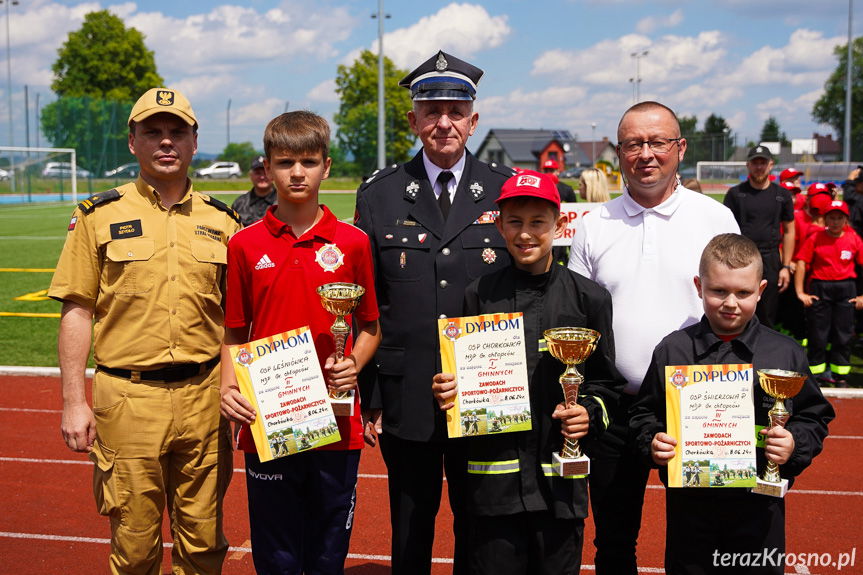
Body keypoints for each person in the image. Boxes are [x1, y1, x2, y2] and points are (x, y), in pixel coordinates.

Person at [49, 87, 241, 574]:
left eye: (177, 131)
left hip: (205, 398)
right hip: (128, 400)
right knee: (134, 545)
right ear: (132, 141)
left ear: (195, 141)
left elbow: (237, 321)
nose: (166, 141)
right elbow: (76, 309)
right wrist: (73, 399)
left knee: (203, 541)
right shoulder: (98, 215)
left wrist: (236, 387)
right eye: (152, 131)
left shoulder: (224, 220)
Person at [354, 50, 514, 575]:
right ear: (413, 120)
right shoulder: (378, 195)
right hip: (407, 395)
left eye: (455, 109)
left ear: (473, 119)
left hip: (488, 390)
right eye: (431, 110)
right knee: (410, 525)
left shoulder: (504, 189)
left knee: (481, 525)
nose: (443, 122)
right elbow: (367, 304)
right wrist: (371, 394)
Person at [567, 101, 739, 575]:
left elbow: (737, 311)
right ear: (618, 153)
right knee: (614, 542)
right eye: (633, 144)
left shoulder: (714, 219)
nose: (646, 154)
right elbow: (575, 319)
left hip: (696, 409)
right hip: (614, 410)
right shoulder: (593, 225)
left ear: (679, 149)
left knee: (701, 541)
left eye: (657, 142)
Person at [431, 171, 624, 575]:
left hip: (560, 488)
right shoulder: (478, 294)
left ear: (560, 224)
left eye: (538, 222)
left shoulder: (589, 298)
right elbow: (459, 381)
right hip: (493, 490)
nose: (525, 234)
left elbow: (609, 385)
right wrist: (449, 389)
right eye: (515, 222)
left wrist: (588, 410)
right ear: (498, 225)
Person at [219, 111, 381, 574]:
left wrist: (353, 363)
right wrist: (228, 389)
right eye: (285, 161)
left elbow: (370, 326)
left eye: (308, 161)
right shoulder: (245, 244)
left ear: (326, 167)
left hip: (337, 419)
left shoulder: (352, 243)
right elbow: (234, 330)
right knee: (276, 550)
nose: (296, 172)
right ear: (267, 168)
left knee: (328, 550)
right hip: (269, 417)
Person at [630, 233, 834, 574]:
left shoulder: (785, 352)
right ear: (698, 286)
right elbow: (643, 412)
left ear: (761, 290)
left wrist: (794, 444)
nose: (730, 302)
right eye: (718, 290)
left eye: (743, 292)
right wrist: (652, 440)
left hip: (759, 508)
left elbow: (814, 415)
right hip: (690, 510)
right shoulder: (673, 350)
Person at [723, 145, 796, 328]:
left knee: (767, 312)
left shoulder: (782, 195)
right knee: (739, 307)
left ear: (771, 165)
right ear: (748, 165)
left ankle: (765, 353)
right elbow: (725, 231)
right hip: (741, 257)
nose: (759, 167)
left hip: (770, 258)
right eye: (755, 162)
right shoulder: (735, 194)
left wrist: (785, 266)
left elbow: (789, 231)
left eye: (763, 162)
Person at [795, 200, 863, 386]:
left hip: (846, 289)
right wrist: (801, 292)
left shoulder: (854, 239)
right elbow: (801, 263)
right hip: (820, 288)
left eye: (839, 218)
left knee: (843, 335)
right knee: (818, 335)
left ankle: (840, 375)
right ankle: (816, 375)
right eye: (831, 218)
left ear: (846, 220)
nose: (835, 222)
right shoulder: (815, 238)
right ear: (825, 219)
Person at [230, 154, 276, 226]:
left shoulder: (284, 203)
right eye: (258, 173)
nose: (262, 177)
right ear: (250, 175)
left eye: (265, 173)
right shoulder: (239, 203)